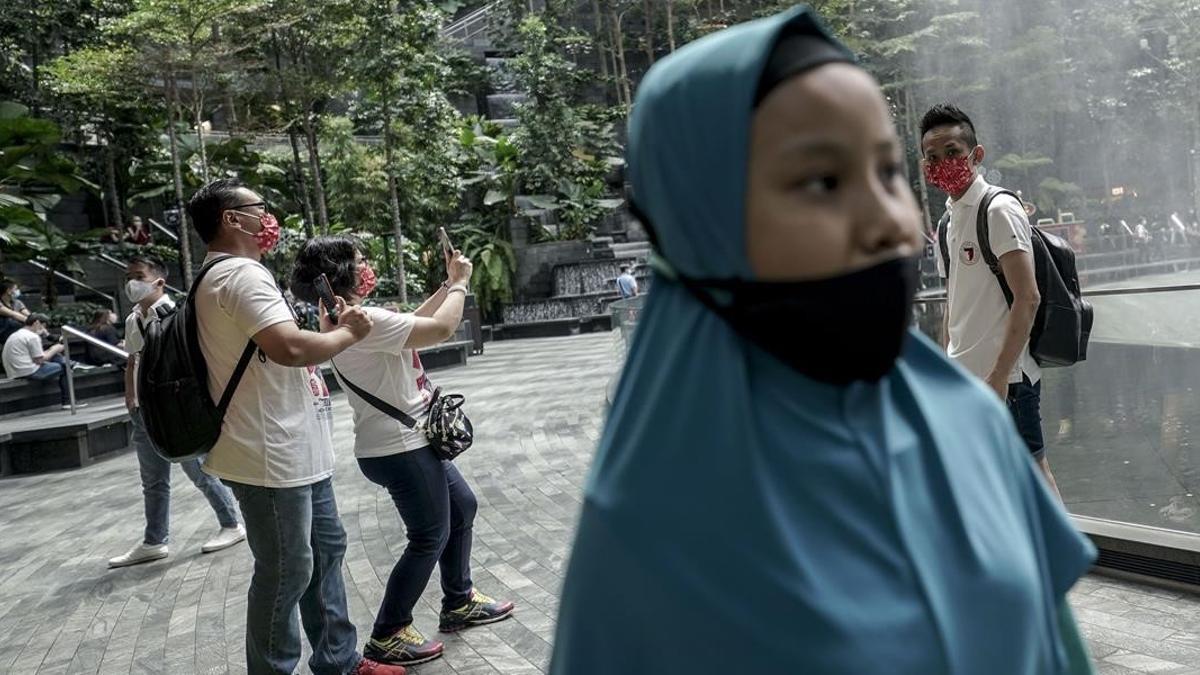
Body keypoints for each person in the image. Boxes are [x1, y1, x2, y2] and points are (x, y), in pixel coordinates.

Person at [550, 8, 1095, 674]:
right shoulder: (650, 537)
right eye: (821, 182)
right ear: (702, 221)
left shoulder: (968, 425)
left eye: (889, 172)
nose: (890, 222)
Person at [186, 178, 404, 675]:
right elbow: (289, 348)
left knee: (326, 550)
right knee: (287, 570)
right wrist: (349, 333)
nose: (268, 218)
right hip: (267, 452)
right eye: (258, 208)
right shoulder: (239, 275)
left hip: (294, 446)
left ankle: (339, 661)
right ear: (230, 219)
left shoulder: (230, 275)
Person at [290, 237, 514, 667]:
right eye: (359, 261)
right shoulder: (364, 320)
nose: (367, 265)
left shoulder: (348, 319)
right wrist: (461, 284)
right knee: (429, 535)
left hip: (404, 442)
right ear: (341, 276)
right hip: (401, 447)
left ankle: (459, 599)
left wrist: (446, 285)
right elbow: (443, 328)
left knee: (461, 507)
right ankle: (389, 632)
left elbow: (411, 321)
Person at [922, 103, 1062, 498]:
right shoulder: (947, 222)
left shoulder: (998, 209)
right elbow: (955, 298)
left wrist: (999, 376)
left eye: (952, 152)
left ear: (976, 155)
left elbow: (1028, 297)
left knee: (1034, 474)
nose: (942, 163)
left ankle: (1064, 559)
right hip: (965, 378)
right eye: (932, 157)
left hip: (1007, 380)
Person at [107, 256, 246, 569]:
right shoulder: (134, 319)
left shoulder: (177, 314)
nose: (131, 282)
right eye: (128, 276)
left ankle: (231, 523)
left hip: (173, 407)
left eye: (138, 276)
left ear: (158, 281)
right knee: (153, 480)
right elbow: (132, 360)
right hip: (144, 410)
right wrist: (131, 397)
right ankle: (155, 540)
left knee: (198, 471)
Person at [1, 313, 85, 409]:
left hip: (16, 371)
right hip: (29, 371)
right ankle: (68, 402)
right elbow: (40, 360)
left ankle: (73, 364)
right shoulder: (32, 337)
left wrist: (51, 346)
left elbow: (37, 356)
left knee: (56, 357)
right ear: (36, 323)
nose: (44, 330)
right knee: (66, 367)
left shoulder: (17, 334)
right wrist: (55, 349)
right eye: (43, 326)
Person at [0, 280, 29, 346]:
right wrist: (29, 320)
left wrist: (34, 318)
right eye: (15, 289)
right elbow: (12, 314)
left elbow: (27, 313)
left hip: (16, 332)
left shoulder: (17, 302)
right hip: (3, 333)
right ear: (8, 291)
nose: (17, 291)